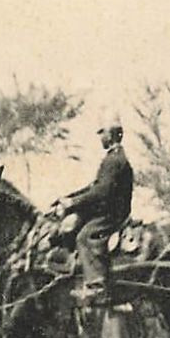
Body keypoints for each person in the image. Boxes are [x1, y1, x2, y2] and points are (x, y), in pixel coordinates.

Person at [53, 118, 133, 305]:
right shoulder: (114, 158)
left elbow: (101, 192)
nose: (100, 137)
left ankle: (97, 286)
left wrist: (72, 203)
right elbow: (93, 187)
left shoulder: (114, 160)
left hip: (112, 214)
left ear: (111, 135)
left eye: (102, 133)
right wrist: (68, 199)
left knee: (85, 236)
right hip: (109, 210)